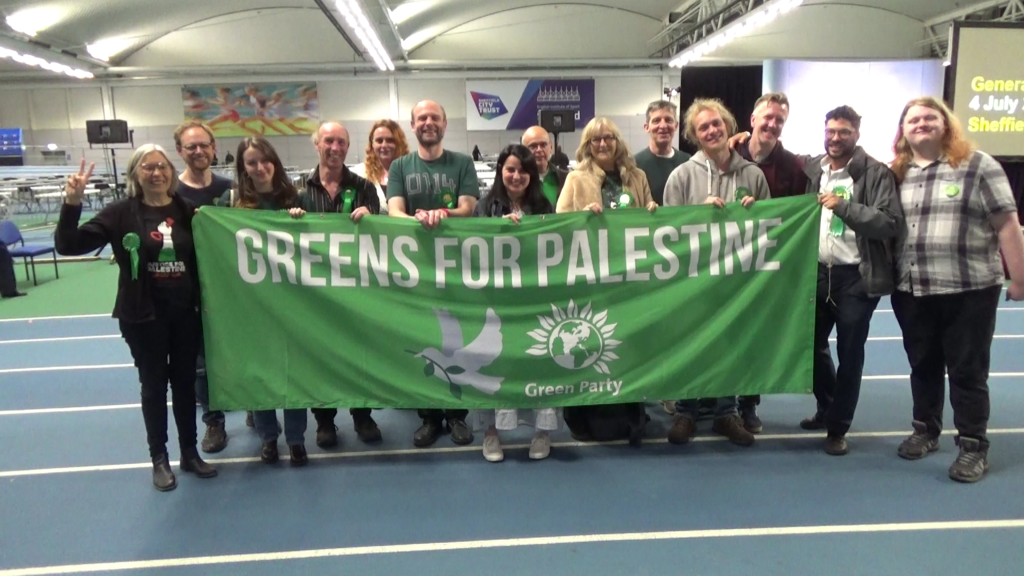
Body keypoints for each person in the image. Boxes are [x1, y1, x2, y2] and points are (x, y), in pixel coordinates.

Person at [55, 152, 217, 491]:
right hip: (143, 317)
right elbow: (69, 245)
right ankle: (159, 458)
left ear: (172, 172)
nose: (156, 172)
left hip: (186, 315)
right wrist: (72, 204)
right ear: (135, 174)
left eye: (162, 166)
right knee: (154, 386)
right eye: (148, 167)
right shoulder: (120, 213)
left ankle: (190, 452)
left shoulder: (188, 210)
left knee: (186, 385)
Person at [889, 96, 1024, 483]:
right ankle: (925, 429)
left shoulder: (978, 165)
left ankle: (972, 446)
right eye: (912, 119)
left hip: (969, 290)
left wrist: (1020, 277)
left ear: (946, 124)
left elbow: (1007, 225)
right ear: (903, 130)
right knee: (922, 365)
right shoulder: (897, 172)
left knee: (967, 371)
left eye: (930, 116)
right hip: (912, 289)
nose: (921, 123)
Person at [662, 98, 769, 447]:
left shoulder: (753, 175)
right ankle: (686, 412)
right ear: (695, 135)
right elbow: (667, 232)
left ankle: (726, 412)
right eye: (703, 127)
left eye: (716, 124)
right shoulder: (681, 176)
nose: (711, 130)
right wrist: (697, 214)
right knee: (691, 345)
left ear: (728, 126)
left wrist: (753, 213)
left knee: (729, 345)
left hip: (736, 283)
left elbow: (770, 228)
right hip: (692, 282)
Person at [797, 106, 901, 456]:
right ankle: (828, 407)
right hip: (817, 273)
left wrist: (844, 207)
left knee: (850, 352)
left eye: (843, 131)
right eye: (830, 131)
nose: (835, 138)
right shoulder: (814, 169)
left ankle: (838, 428)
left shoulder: (876, 173)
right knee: (809, 347)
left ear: (857, 132)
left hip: (855, 277)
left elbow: (888, 222)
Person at [556, 117, 656, 446]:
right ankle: (580, 413)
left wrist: (654, 210)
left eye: (608, 138)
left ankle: (631, 409)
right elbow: (558, 228)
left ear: (618, 142)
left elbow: (650, 223)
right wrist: (583, 216)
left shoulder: (638, 176)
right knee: (590, 345)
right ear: (587, 145)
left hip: (629, 277)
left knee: (628, 345)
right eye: (596, 139)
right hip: (590, 278)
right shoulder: (575, 178)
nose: (603, 144)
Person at [387, 100, 480, 448]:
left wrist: (442, 212)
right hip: (415, 272)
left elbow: (468, 208)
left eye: (435, 118)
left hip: (456, 270)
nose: (429, 123)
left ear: (444, 124)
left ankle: (457, 416)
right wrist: (420, 219)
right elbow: (394, 211)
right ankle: (428, 417)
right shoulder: (399, 166)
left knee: (456, 341)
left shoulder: (462, 163)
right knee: (421, 342)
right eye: (422, 118)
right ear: (412, 125)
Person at [294, 120, 384, 448]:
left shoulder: (364, 187)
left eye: (341, 142)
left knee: (359, 353)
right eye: (328, 141)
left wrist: (371, 217)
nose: (335, 148)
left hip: (357, 290)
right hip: (315, 292)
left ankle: (362, 415)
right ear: (316, 144)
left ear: (348, 147)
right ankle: (325, 421)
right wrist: (289, 217)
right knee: (319, 355)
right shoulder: (300, 191)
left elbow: (383, 235)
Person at [225, 136, 310, 466]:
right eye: (251, 162)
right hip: (251, 303)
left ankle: (296, 439)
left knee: (293, 371)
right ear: (242, 167)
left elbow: (317, 241)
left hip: (291, 302)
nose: (259, 168)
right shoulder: (231, 202)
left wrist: (302, 222)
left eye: (265, 160)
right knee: (258, 372)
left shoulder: (296, 197)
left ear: (274, 161)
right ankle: (268, 437)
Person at [472, 144, 557, 461]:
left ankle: (542, 432)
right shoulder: (484, 206)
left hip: (535, 301)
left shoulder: (544, 205)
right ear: (500, 172)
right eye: (510, 169)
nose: (517, 175)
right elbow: (470, 248)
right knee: (492, 363)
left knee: (539, 360)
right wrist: (497, 232)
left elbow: (562, 244)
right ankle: (490, 433)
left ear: (532, 174)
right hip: (496, 301)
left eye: (523, 170)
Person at [173, 121, 234, 453]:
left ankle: (253, 404)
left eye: (203, 145)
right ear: (180, 151)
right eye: (190, 146)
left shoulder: (230, 189)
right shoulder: (170, 194)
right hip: (188, 289)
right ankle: (214, 422)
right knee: (200, 363)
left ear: (213, 147)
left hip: (231, 288)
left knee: (240, 351)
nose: (198, 151)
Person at [634, 100, 691, 206]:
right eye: (656, 121)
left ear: (676, 125)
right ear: (647, 127)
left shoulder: (687, 162)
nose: (663, 125)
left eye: (668, 120)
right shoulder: (634, 164)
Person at [349, 118, 411, 216]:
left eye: (390, 140)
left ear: (399, 143)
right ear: (372, 144)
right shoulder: (358, 173)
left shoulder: (411, 170)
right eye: (379, 140)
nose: (384, 145)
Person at [521, 126, 568, 206]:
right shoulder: (517, 181)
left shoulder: (567, 178)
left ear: (551, 147)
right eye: (533, 146)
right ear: (523, 150)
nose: (539, 150)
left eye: (543, 145)